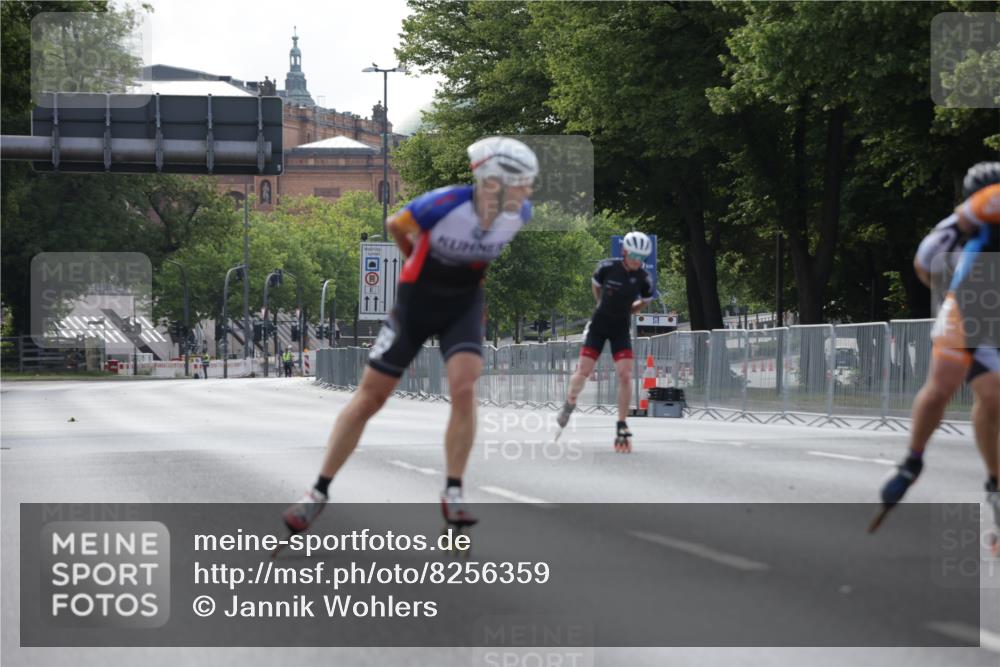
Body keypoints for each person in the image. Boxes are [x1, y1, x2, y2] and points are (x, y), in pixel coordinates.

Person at [282, 136, 538, 532]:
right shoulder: (446, 203)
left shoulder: (520, 215)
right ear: (493, 181)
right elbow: (397, 225)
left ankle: (453, 491)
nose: (528, 191)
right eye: (522, 181)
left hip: (463, 304)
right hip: (416, 302)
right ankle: (316, 492)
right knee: (371, 397)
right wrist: (419, 259)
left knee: (465, 387)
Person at [879, 163, 1000, 545]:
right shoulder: (965, 221)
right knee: (947, 387)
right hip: (971, 306)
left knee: (992, 399)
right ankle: (913, 459)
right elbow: (923, 264)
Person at [555, 231, 654, 453]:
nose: (638, 261)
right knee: (584, 372)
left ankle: (621, 423)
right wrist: (602, 303)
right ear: (625, 252)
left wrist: (630, 309)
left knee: (626, 374)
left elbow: (645, 300)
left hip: (620, 328)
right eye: (634, 256)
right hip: (599, 325)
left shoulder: (644, 278)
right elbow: (596, 286)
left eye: (642, 257)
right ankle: (570, 401)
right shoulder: (607, 267)